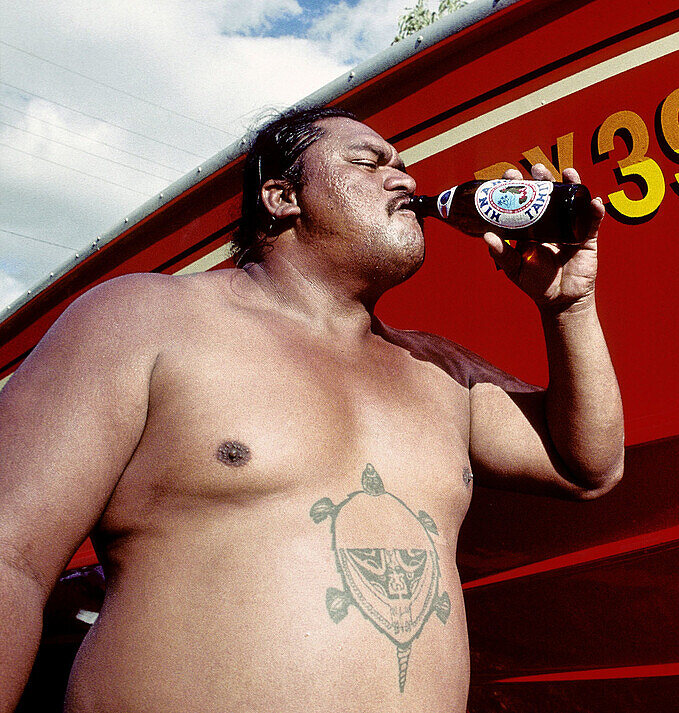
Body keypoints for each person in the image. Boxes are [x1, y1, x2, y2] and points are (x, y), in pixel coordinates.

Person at [0, 106, 624, 713]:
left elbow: (588, 466)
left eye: (404, 165)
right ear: (281, 198)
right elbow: (12, 560)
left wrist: (568, 306)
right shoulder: (145, 317)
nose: (406, 178)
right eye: (369, 162)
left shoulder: (440, 371)